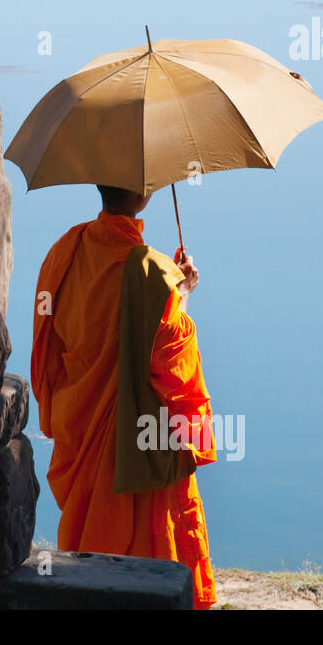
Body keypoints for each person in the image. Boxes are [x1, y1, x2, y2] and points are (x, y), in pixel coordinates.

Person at [30, 184, 217, 610]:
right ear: (146, 192)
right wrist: (181, 292)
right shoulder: (151, 271)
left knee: (89, 566)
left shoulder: (64, 251)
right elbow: (166, 357)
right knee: (149, 565)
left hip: (81, 422)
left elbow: (47, 344)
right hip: (138, 438)